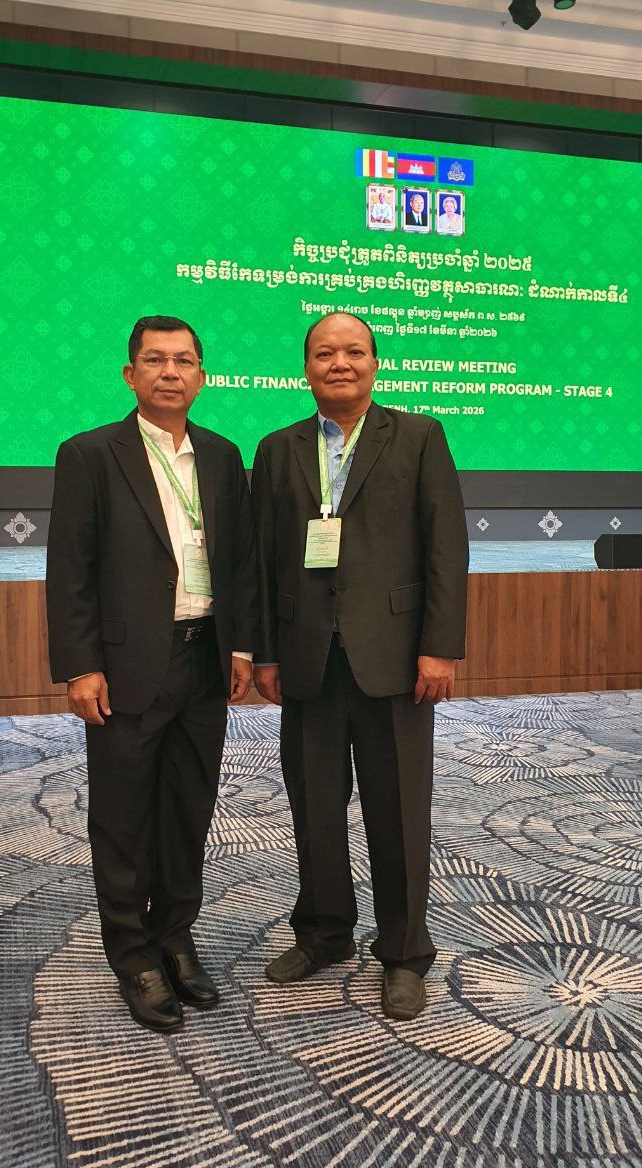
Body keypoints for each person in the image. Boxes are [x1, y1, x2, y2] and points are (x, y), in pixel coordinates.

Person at [251, 311, 468, 1021]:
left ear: (375, 362)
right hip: (308, 658)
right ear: (305, 368)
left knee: (397, 810)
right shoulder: (278, 448)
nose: (338, 363)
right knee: (314, 806)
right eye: (323, 353)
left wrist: (440, 646)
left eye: (353, 351)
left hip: (396, 659)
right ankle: (324, 933)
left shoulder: (419, 436)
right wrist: (267, 652)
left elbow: (446, 547)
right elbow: (264, 559)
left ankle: (403, 953)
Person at [46, 315, 258, 1034]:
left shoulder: (223, 456)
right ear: (130, 374)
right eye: (156, 360)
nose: (171, 372)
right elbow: (70, 571)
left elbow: (237, 562)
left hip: (204, 656)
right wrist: (81, 664)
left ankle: (174, 935)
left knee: (188, 808)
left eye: (185, 361)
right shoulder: (89, 454)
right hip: (129, 663)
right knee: (123, 815)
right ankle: (132, 954)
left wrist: (240, 648)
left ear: (203, 376)